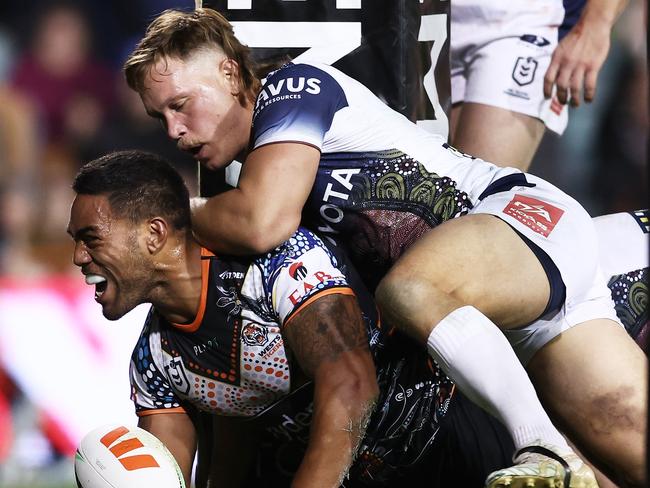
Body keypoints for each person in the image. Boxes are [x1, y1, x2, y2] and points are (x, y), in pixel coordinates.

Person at [123, 8, 647, 486]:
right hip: (511, 307)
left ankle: (541, 445)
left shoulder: (292, 88)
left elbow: (263, 223)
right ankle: (557, 458)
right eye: (159, 118)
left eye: (180, 105)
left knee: (409, 289)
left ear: (231, 74)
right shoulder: (256, 168)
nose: (174, 129)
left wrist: (167, 214)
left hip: (520, 220)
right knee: (622, 455)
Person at [68, 150, 522, 487]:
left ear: (154, 234)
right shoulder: (154, 364)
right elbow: (173, 475)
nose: (77, 257)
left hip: (452, 449)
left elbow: (352, 384)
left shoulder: (281, 265)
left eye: (90, 238)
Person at [450, 0, 629, 170]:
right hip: (435, 14)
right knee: (430, 187)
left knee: (477, 192)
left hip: (527, 22)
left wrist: (595, 25)